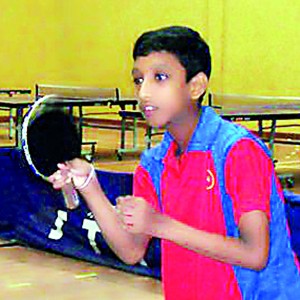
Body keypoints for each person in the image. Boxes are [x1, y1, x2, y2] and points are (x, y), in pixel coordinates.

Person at [49, 26, 300, 299]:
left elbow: (254, 254)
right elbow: (131, 251)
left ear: (196, 86)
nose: (144, 92)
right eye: (138, 80)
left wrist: (160, 224)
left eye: (160, 77)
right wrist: (89, 185)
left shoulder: (238, 151)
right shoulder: (153, 164)